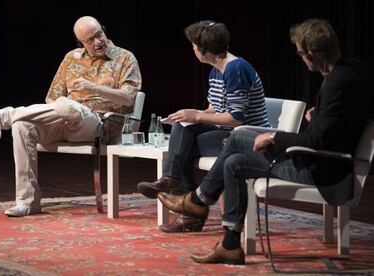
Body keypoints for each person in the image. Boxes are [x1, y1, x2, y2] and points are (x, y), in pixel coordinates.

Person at [157, 18, 371, 265]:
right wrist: (320, 113)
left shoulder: (338, 83)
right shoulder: (351, 70)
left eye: (301, 53)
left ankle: (197, 201)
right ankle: (229, 245)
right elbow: (338, 121)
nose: (301, 57)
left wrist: (274, 136)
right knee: (234, 162)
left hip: (324, 169)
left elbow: (317, 140)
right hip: (319, 159)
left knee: (237, 138)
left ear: (312, 53)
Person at [0, 16, 142, 217]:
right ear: (81, 43)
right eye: (90, 40)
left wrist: (92, 87)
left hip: (99, 124)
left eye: (99, 34)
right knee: (22, 126)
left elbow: (129, 98)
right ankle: (28, 202)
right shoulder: (71, 58)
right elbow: (52, 98)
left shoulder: (125, 58)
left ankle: (6, 115)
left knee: (70, 107)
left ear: (103, 29)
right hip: (63, 120)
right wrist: (64, 107)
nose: (98, 42)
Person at [137, 20, 270, 233]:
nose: (192, 48)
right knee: (184, 127)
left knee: (185, 146)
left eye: (193, 44)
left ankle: (190, 211)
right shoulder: (216, 70)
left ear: (203, 49)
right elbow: (213, 110)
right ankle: (173, 181)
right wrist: (187, 115)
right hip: (227, 132)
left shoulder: (236, 70)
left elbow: (236, 118)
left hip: (246, 138)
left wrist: (197, 115)